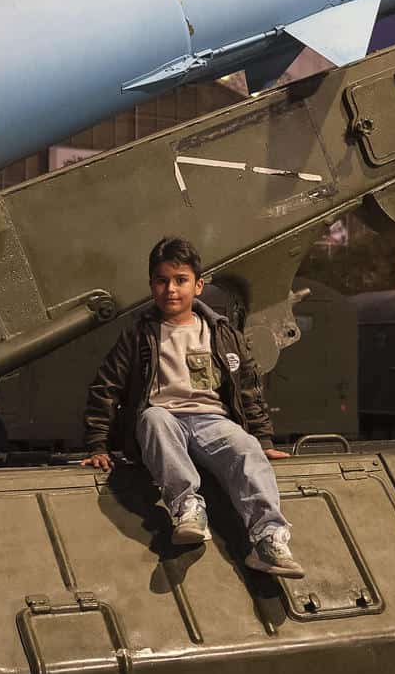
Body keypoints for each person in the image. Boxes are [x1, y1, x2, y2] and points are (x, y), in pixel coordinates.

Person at [83, 235, 304, 577]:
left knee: (245, 449)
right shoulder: (140, 334)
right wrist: (98, 443)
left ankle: (269, 539)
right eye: (162, 281)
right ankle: (187, 508)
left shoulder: (221, 332)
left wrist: (262, 439)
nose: (171, 289)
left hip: (211, 421)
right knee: (153, 418)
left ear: (198, 285)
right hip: (164, 422)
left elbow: (247, 386)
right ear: (152, 285)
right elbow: (107, 384)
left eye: (181, 280)